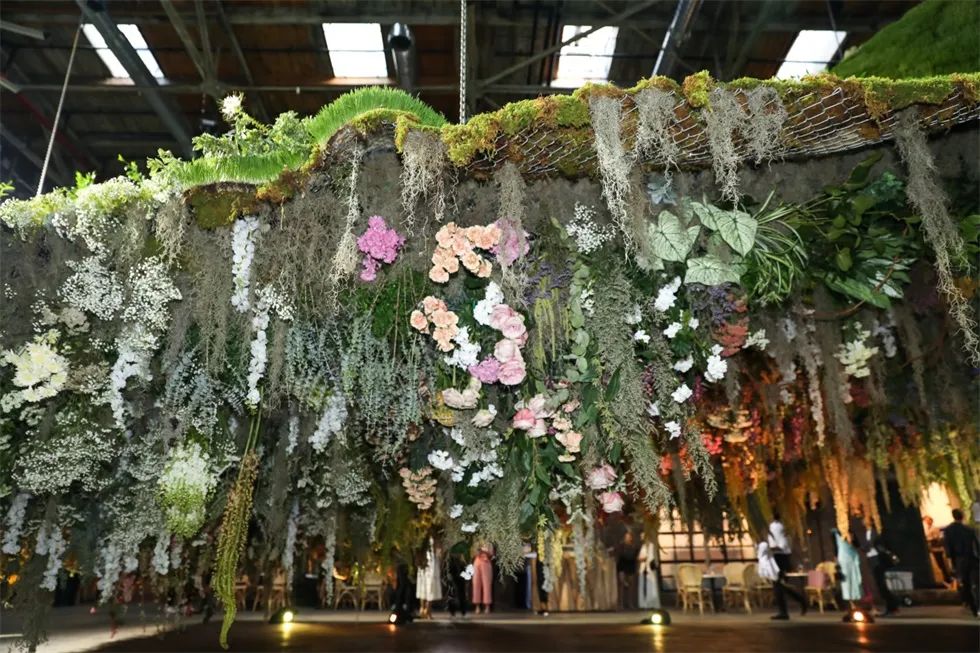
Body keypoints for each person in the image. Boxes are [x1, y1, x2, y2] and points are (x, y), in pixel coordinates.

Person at [767, 513, 807, 620]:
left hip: (779, 557)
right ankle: (794, 604)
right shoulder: (778, 526)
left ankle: (791, 606)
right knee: (779, 585)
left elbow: (781, 546)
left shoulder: (777, 526)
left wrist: (769, 549)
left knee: (778, 585)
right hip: (780, 557)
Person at [943, 508, 980, 616]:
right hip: (972, 558)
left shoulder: (948, 530)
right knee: (976, 582)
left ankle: (971, 605)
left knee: (964, 583)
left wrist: (950, 561)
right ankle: (977, 603)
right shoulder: (969, 529)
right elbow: (977, 545)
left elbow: (948, 547)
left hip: (959, 559)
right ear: (962, 516)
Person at [860, 522, 900, 616]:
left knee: (881, 584)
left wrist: (864, 547)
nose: (863, 521)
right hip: (871, 558)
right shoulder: (867, 532)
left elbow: (871, 544)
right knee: (879, 584)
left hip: (877, 558)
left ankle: (893, 606)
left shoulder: (874, 531)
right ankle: (891, 606)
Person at [834, 528, 863, 621]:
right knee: (846, 583)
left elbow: (857, 545)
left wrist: (851, 539)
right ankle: (851, 605)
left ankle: (857, 603)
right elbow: (836, 548)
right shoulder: (836, 534)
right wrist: (836, 562)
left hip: (852, 560)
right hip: (843, 561)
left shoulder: (850, 533)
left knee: (856, 581)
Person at [415, 536, 442, 619]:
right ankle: (425, 609)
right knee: (427, 586)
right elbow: (439, 551)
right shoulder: (430, 536)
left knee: (426, 586)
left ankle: (425, 609)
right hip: (427, 563)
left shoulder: (426, 536)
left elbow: (439, 551)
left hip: (428, 562)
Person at [923, 515, 954, 587]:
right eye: (926, 521)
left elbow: (936, 537)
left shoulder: (935, 528)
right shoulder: (926, 529)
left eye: (928, 520)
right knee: (938, 565)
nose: (927, 522)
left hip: (937, 548)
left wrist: (929, 539)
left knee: (941, 564)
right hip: (932, 548)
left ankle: (947, 578)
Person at [616, 530, 640, 610]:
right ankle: (621, 604)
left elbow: (635, 556)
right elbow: (620, 555)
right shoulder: (621, 546)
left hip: (631, 566)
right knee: (622, 584)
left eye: (629, 537)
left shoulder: (634, 546)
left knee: (631, 585)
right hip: (622, 566)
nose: (628, 538)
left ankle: (630, 603)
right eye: (626, 537)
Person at [637, 533, 661, 610]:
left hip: (650, 569)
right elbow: (639, 557)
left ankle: (651, 603)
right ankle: (644, 604)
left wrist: (647, 560)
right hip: (643, 568)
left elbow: (653, 558)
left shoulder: (652, 546)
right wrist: (641, 559)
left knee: (651, 587)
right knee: (644, 587)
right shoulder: (643, 546)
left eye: (643, 536)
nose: (641, 538)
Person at [472, 542, 494, 614]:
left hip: (486, 562)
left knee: (487, 584)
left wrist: (485, 551)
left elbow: (492, 554)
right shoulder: (476, 542)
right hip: (477, 562)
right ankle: (477, 606)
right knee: (476, 584)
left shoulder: (489, 543)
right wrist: (478, 551)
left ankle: (487, 606)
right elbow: (473, 554)